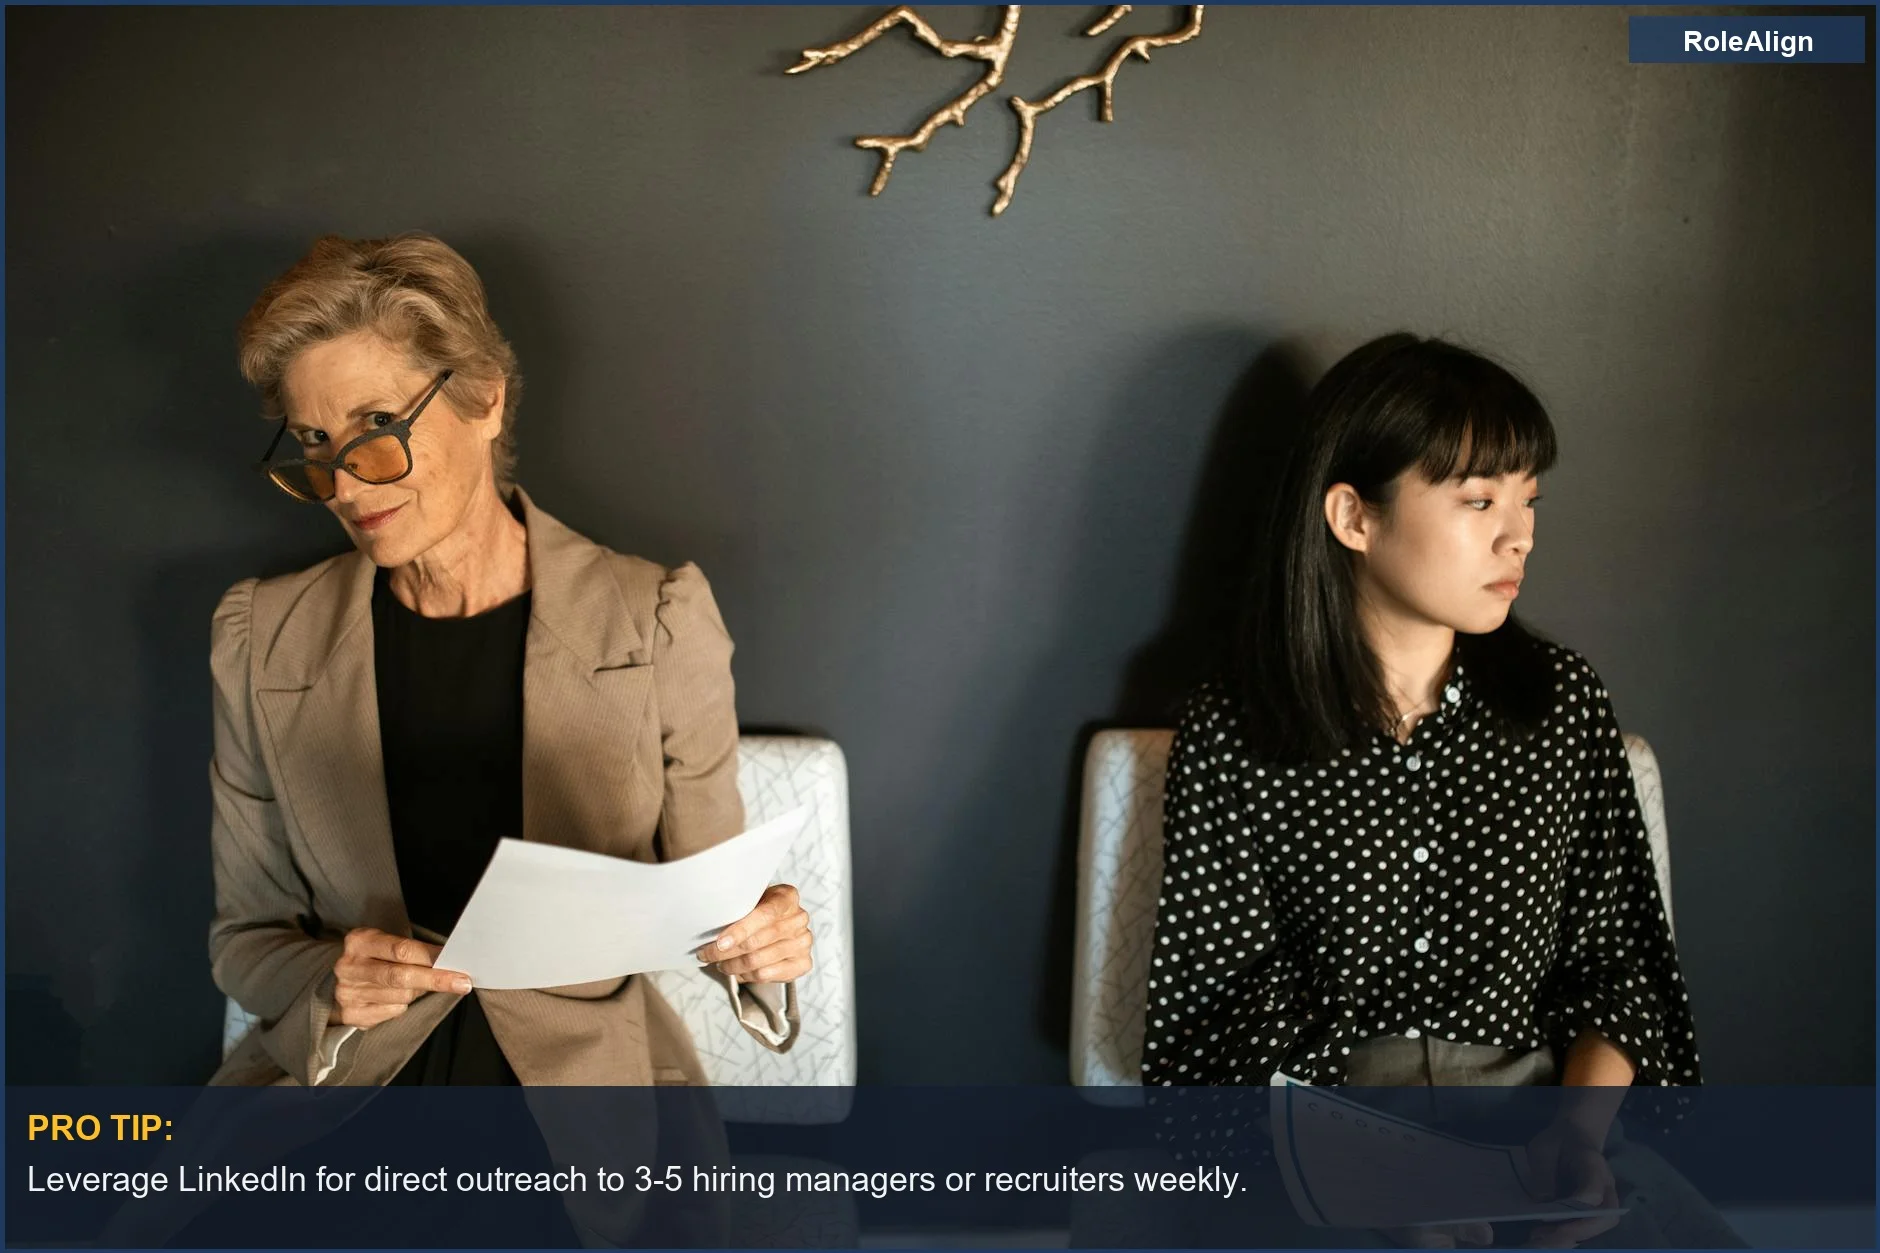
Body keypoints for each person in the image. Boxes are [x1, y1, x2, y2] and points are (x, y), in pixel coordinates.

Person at [1139, 334, 1731, 1248]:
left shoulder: (1562, 705)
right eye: (1478, 499)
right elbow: (1217, 1018)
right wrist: (1384, 1178)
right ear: (1352, 516)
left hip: (1542, 1126)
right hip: (1308, 1141)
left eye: (1528, 498)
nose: (1519, 534)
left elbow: (1619, 969)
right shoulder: (1237, 725)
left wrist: (1575, 1147)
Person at [209, 232, 812, 1089]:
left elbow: (717, 912)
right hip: (346, 1083)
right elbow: (245, 939)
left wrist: (763, 939)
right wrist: (327, 981)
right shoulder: (259, 636)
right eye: (314, 440)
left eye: (378, 427)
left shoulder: (657, 619)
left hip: (588, 1097)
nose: (342, 483)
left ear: (486, 399)